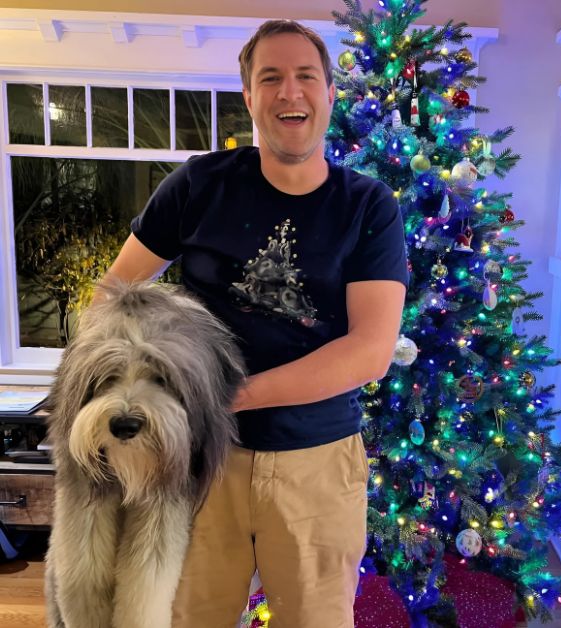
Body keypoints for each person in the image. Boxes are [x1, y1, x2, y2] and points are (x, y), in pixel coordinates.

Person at [98, 20, 409, 628]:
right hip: (200, 463)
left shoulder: (370, 206)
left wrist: (225, 398)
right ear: (249, 96)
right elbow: (113, 297)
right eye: (271, 78)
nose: (289, 92)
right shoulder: (196, 185)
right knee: (190, 618)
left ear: (329, 93)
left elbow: (370, 351)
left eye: (305, 77)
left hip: (317, 464)